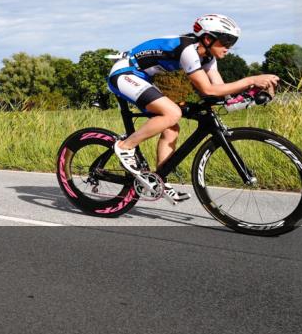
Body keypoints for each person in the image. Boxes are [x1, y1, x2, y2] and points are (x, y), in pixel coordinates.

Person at [107, 14, 279, 202]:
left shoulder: (208, 59)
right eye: (226, 41)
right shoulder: (188, 50)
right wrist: (251, 79)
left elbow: (222, 94)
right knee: (173, 113)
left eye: (232, 42)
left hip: (143, 77)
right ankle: (125, 146)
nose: (229, 47)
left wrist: (253, 94)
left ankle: (160, 180)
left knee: (171, 129)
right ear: (207, 38)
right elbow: (208, 89)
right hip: (124, 72)